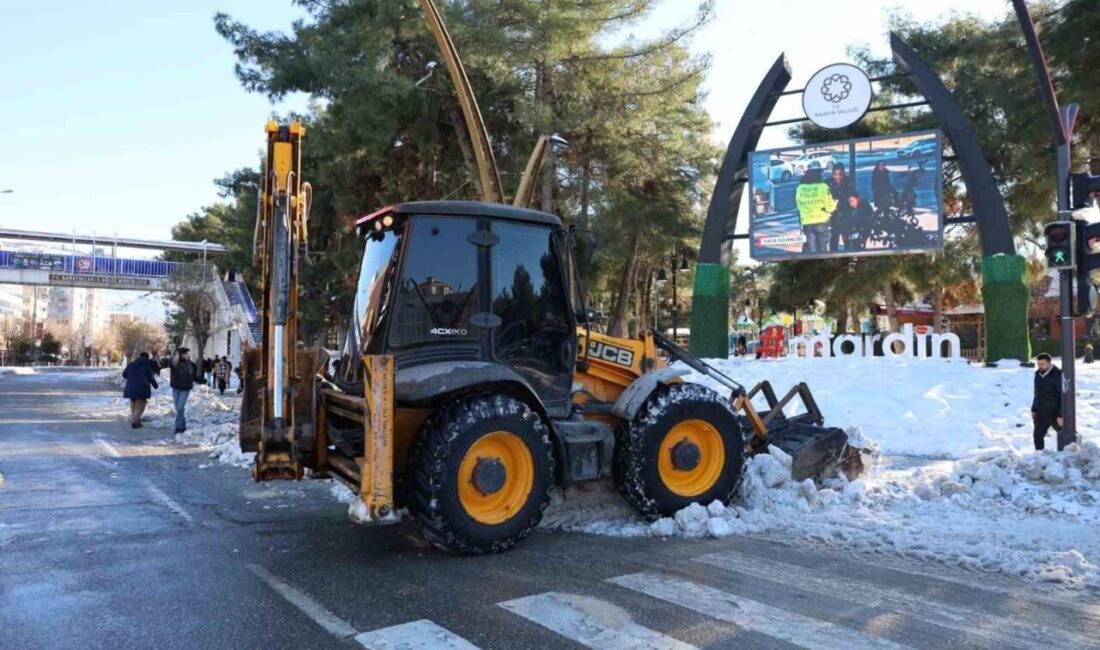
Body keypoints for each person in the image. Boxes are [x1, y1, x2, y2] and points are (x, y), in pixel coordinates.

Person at [795, 168, 836, 254]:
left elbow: (799, 206)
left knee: (811, 251)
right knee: (823, 249)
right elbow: (830, 207)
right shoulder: (823, 187)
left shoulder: (800, 188)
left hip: (807, 223)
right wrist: (835, 203)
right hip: (821, 222)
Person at [169, 347, 205, 434]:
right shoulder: (175, 363)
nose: (186, 355)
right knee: (178, 408)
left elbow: (194, 376)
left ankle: (178, 426)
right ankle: (183, 425)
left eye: (186, 353)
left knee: (181, 407)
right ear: (179, 355)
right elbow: (171, 363)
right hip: (176, 388)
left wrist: (201, 380)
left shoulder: (191, 365)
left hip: (185, 389)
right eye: (184, 353)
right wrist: (177, 353)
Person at [1031, 353, 1063, 451]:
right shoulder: (1038, 374)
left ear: (1049, 363)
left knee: (1064, 433)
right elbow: (1037, 393)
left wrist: (1061, 415)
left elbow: (1062, 396)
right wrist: (1034, 409)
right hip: (1040, 411)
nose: (1040, 366)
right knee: (1037, 435)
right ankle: (1039, 456)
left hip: (1054, 412)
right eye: (1038, 364)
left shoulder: (1057, 375)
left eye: (1042, 364)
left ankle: (1067, 455)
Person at [122, 352, 158, 429]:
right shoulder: (147, 365)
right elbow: (150, 377)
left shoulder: (131, 364)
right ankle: (135, 422)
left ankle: (136, 421)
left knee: (133, 405)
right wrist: (155, 385)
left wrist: (131, 378)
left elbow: (124, 374)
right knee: (140, 406)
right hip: (142, 388)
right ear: (147, 358)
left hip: (130, 387)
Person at [827, 163, 855, 251]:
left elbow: (853, 197)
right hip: (833, 215)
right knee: (834, 236)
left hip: (846, 214)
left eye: (840, 174)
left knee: (846, 237)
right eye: (835, 174)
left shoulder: (848, 182)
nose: (838, 177)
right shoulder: (828, 183)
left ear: (843, 174)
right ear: (832, 174)